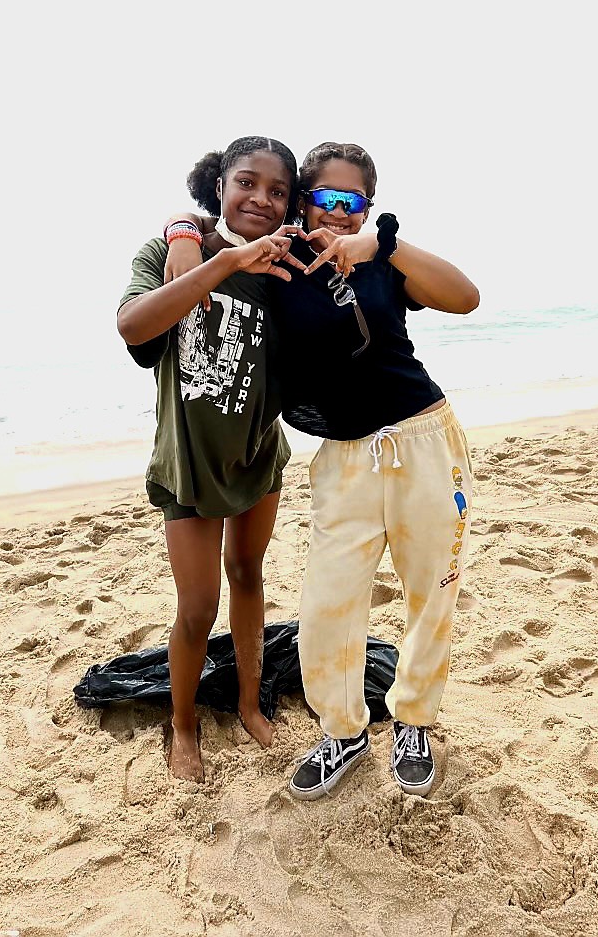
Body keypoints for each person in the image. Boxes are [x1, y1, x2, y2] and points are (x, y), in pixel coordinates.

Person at [163, 141, 479, 800]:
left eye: (350, 202)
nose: (334, 213)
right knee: (328, 604)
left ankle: (415, 720)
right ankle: (343, 731)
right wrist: (184, 230)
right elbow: (219, 230)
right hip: (342, 457)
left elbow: (466, 297)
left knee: (430, 594)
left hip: (422, 436)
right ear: (304, 201)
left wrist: (384, 248)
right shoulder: (279, 262)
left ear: (366, 208)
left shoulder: (381, 261)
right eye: (322, 198)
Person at [117, 136, 303, 781]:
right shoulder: (169, 251)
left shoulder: (284, 264)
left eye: (278, 191)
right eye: (247, 183)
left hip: (257, 455)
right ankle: (184, 726)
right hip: (189, 465)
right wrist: (200, 247)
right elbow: (135, 327)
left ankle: (252, 704)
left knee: (249, 576)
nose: (261, 199)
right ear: (219, 185)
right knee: (197, 607)